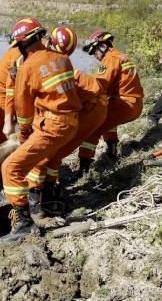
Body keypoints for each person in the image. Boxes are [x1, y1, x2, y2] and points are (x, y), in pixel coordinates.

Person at [0, 18, 82, 242]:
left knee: (11, 167)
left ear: (22, 44)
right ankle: (40, 202)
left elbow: (24, 112)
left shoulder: (27, 68)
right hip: (70, 123)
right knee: (44, 159)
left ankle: (25, 223)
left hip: (53, 125)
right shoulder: (62, 59)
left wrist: (25, 135)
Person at [25, 25, 108, 217]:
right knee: (54, 153)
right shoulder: (63, 66)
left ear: (51, 43)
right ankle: (49, 192)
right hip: (94, 110)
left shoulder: (54, 68)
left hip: (91, 111)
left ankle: (37, 200)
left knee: (45, 154)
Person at [78, 30, 144, 174]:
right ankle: (112, 153)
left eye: (94, 51)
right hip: (133, 103)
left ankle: (84, 169)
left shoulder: (110, 59)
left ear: (102, 46)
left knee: (92, 128)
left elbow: (99, 84)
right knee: (107, 119)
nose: (93, 56)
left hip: (124, 104)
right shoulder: (119, 55)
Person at [0, 39, 23, 144]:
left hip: (18, 87)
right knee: (2, 123)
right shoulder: (18, 53)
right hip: (1, 88)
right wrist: (8, 119)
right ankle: (1, 149)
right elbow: (10, 88)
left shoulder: (40, 51)